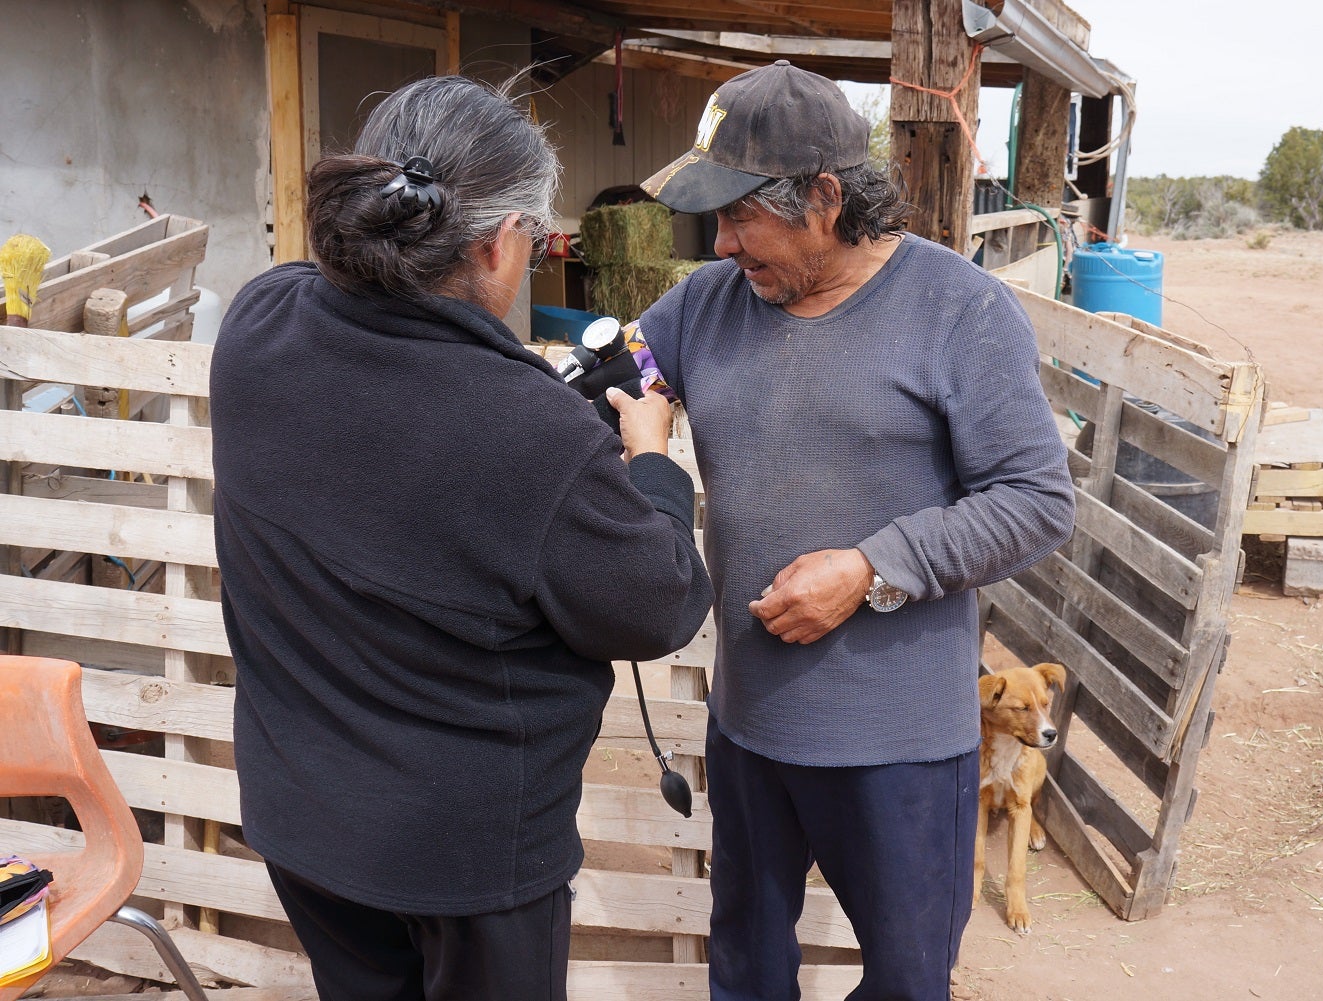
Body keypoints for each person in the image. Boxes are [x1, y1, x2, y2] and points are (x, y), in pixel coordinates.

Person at [210, 74, 712, 1001]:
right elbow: (657, 602)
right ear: (496, 240)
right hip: (464, 858)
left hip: (303, 817)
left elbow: (402, 450)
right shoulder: (531, 435)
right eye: (536, 236)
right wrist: (650, 460)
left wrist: (541, 412)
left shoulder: (257, 322)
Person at [636, 61, 1076, 1000]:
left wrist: (874, 567)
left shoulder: (961, 311)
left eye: (739, 214)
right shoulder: (708, 304)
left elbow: (1038, 500)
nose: (720, 243)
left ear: (826, 199)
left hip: (900, 745)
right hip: (749, 727)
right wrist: (633, 400)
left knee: (908, 981)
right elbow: (623, 368)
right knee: (746, 971)